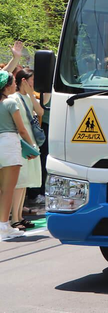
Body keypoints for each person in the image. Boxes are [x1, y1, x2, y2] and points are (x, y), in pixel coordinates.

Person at [0, 70, 35, 240]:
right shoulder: (10, 103)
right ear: (6, 86)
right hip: (9, 144)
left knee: (1, 189)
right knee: (8, 189)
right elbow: (21, 129)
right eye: (13, 82)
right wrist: (32, 146)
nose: (15, 84)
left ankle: (3, 225)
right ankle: (4, 226)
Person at [9, 69, 42, 230]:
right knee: (20, 181)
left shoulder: (27, 97)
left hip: (29, 139)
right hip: (22, 141)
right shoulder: (14, 98)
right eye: (31, 80)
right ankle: (14, 218)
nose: (33, 83)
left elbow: (41, 111)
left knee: (25, 181)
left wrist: (30, 94)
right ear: (23, 81)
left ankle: (19, 217)